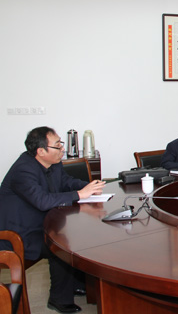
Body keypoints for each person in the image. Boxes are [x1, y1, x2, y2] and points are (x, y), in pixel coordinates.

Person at [0, 126, 106, 313]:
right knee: (61, 246)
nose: (62, 149)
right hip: (19, 233)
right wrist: (80, 194)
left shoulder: (53, 162)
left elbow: (66, 181)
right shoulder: (23, 170)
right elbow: (42, 201)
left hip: (41, 223)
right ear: (41, 151)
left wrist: (89, 187)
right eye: (58, 145)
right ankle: (59, 299)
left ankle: (77, 285)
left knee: (79, 235)